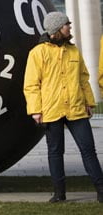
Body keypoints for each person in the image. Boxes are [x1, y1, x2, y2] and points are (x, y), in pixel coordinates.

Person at [24, 12, 103, 203]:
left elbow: (83, 79)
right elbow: (31, 84)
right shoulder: (38, 53)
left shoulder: (74, 51)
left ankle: (101, 191)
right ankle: (59, 194)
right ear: (56, 29)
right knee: (55, 152)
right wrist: (36, 110)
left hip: (76, 109)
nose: (70, 27)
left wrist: (88, 102)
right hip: (51, 110)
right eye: (67, 24)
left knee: (89, 150)